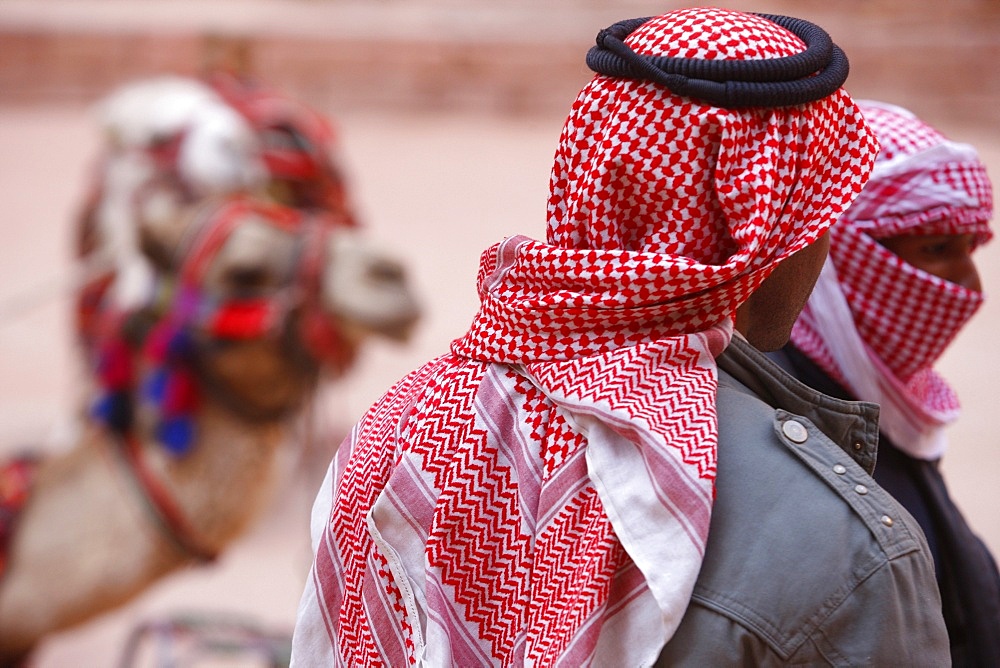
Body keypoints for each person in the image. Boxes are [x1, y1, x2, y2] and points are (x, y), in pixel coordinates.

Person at [290, 8, 949, 665]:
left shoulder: (382, 439)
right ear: (766, 226)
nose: (822, 243)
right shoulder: (843, 549)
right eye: (818, 210)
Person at [771, 100, 1000, 666]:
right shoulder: (787, 420)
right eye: (936, 250)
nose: (968, 286)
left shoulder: (879, 400)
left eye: (970, 250)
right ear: (840, 251)